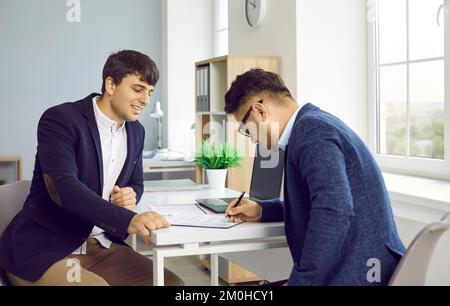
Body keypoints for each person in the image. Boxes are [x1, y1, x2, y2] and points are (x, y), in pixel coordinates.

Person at [0, 50, 183, 286]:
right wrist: (128, 219)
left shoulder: (136, 131)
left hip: (98, 246)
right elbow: (65, 188)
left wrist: (131, 195)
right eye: (137, 89)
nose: (145, 100)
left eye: (149, 92)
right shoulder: (60, 120)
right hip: (44, 248)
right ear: (110, 84)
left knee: (172, 285)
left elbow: (136, 182)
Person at [224, 69, 405, 286]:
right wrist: (263, 210)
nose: (252, 139)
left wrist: (300, 282)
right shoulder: (312, 125)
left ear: (260, 111)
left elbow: (334, 210)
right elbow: (321, 203)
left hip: (362, 272)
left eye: (246, 130)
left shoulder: (311, 130)